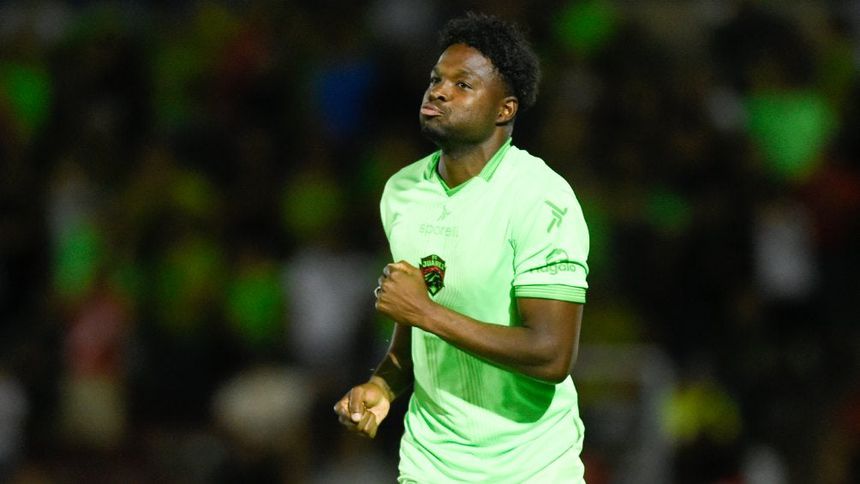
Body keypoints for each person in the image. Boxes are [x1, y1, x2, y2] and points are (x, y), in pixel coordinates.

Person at [334, 12, 590, 483]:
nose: (438, 91)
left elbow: (551, 353)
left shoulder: (542, 200)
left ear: (504, 110)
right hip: (430, 464)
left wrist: (425, 312)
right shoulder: (402, 192)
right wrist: (383, 386)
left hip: (531, 468)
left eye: (462, 84)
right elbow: (415, 326)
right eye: (436, 79)